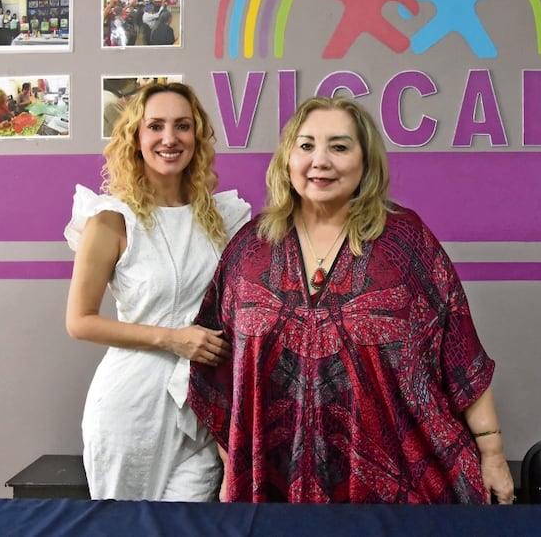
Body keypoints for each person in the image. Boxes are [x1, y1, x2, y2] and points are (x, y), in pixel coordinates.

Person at [189, 96, 515, 505]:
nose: (319, 161)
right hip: (275, 489)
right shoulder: (249, 250)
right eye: (306, 145)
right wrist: (236, 468)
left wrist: (494, 455)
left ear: (366, 162)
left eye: (339, 147)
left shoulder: (405, 243)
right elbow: (222, 376)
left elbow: (460, 355)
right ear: (287, 159)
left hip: (397, 492)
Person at [64, 83, 251, 501]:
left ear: (197, 137)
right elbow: (79, 321)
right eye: (156, 126)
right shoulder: (111, 219)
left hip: (202, 407)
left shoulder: (225, 219)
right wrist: (173, 338)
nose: (170, 138)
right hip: (131, 406)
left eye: (182, 126)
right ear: (136, 136)